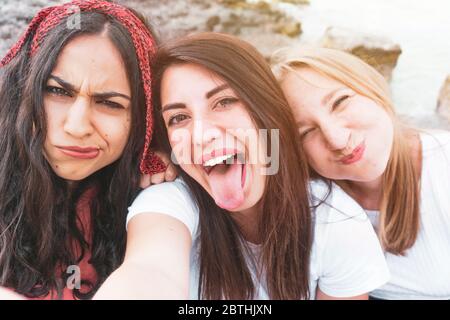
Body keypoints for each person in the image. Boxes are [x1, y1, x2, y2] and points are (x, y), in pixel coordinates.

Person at [97, 33, 389, 300]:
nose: (201, 135)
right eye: (178, 118)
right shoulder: (169, 203)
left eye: (224, 102)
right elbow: (149, 270)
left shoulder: (334, 221)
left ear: (266, 111)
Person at [0, 0, 173, 299]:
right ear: (22, 87)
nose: (78, 126)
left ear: (145, 121)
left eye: (110, 103)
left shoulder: (155, 193)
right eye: (57, 91)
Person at [271, 46, 450, 300]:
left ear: (371, 87)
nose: (337, 139)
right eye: (306, 132)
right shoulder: (315, 207)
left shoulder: (443, 165)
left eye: (340, 102)